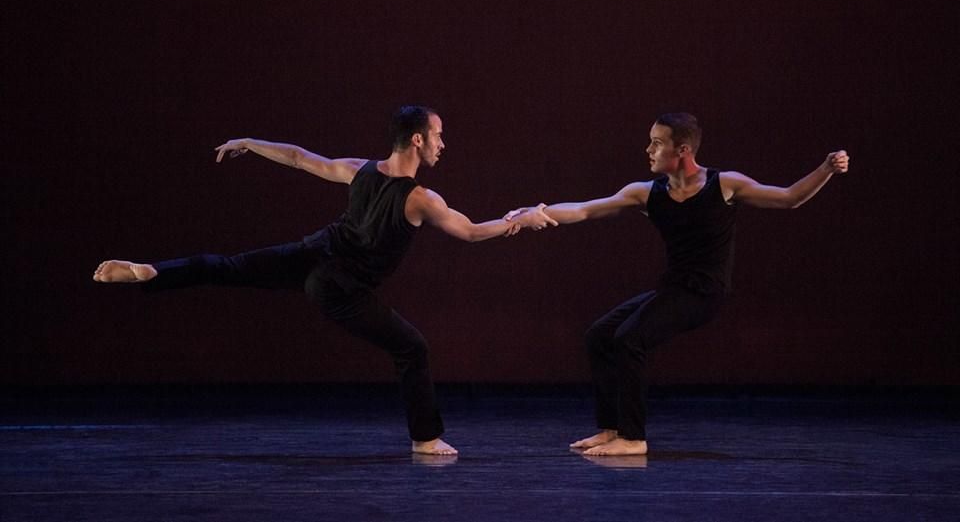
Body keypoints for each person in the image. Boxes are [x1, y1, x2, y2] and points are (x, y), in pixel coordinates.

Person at [93, 105, 555, 456]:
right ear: (417, 140)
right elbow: (471, 231)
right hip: (339, 286)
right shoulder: (420, 199)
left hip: (315, 250)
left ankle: (154, 271)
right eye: (438, 136)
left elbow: (298, 158)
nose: (442, 145)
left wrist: (250, 142)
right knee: (412, 348)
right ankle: (426, 440)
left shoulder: (360, 169)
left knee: (232, 267)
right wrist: (521, 221)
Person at [510, 112, 849, 456]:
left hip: (705, 293)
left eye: (657, 143)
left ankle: (633, 438)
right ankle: (611, 429)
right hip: (672, 289)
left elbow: (790, 197)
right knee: (600, 335)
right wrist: (534, 211)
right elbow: (585, 209)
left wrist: (826, 169)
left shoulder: (725, 184)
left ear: (682, 150)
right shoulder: (647, 193)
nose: (648, 150)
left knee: (630, 339)